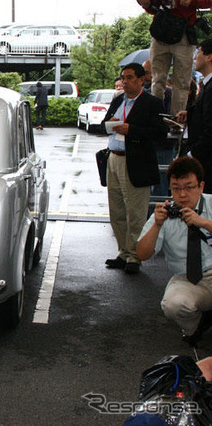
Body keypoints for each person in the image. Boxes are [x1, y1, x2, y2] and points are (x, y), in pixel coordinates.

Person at [137, 157, 212, 346]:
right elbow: (142, 254)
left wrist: (202, 222)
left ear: (201, 186)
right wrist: (157, 224)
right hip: (188, 277)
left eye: (189, 187)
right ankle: (195, 328)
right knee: (174, 304)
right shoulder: (165, 213)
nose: (183, 194)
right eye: (176, 188)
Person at [102, 62, 168, 274]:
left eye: (130, 77)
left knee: (135, 211)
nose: (125, 82)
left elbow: (160, 133)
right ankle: (123, 252)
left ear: (142, 80)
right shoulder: (118, 100)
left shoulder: (152, 103)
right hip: (114, 157)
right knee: (117, 210)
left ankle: (135, 256)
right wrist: (110, 123)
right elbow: (105, 123)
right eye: (123, 77)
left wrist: (132, 130)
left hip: (136, 160)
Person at [137, 0, 212, 115]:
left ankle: (177, 120)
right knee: (157, 79)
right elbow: (150, 5)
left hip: (183, 32)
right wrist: (145, 4)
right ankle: (156, 117)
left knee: (182, 82)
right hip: (161, 31)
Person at [176, 38, 212, 193]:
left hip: (206, 162)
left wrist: (192, 154)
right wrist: (190, 114)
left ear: (209, 56)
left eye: (199, 53)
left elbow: (210, 128)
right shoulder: (206, 85)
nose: (195, 57)